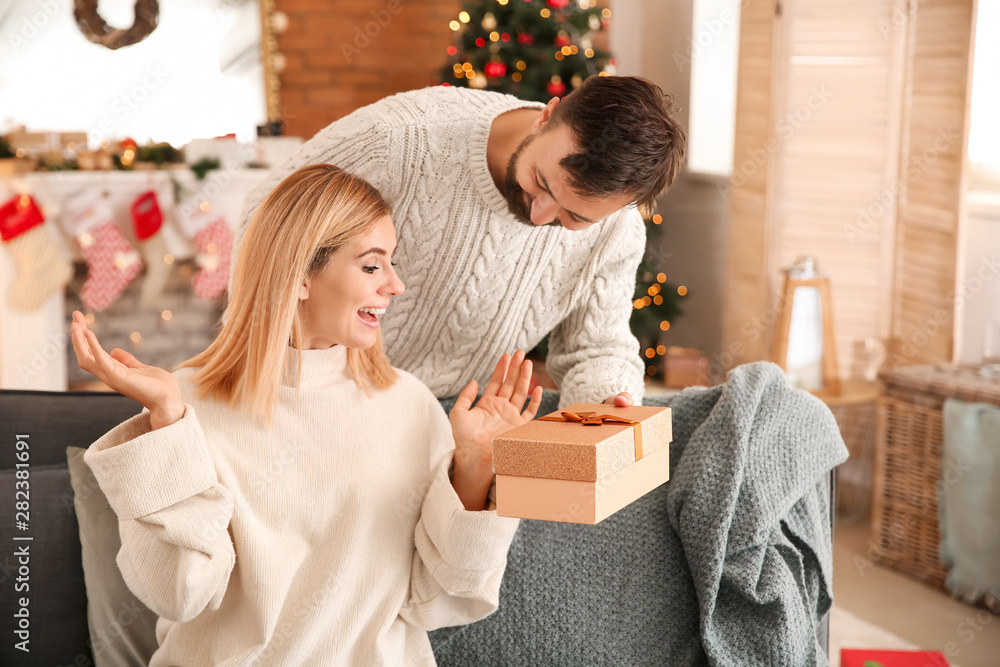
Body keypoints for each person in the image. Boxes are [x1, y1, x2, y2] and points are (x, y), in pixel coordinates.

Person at [71, 164, 543, 666]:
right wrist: (166, 421)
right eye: (371, 266)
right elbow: (180, 594)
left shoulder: (408, 405)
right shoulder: (185, 404)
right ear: (298, 276)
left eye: (392, 263)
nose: (396, 285)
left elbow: (438, 594)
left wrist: (473, 471)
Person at [235, 75, 687, 410]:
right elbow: (265, 222)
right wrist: (303, 375)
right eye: (541, 183)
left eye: (573, 217)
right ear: (546, 116)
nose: (539, 216)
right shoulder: (402, 137)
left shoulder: (616, 230)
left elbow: (597, 347)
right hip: (311, 395)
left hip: (454, 415)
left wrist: (610, 404)